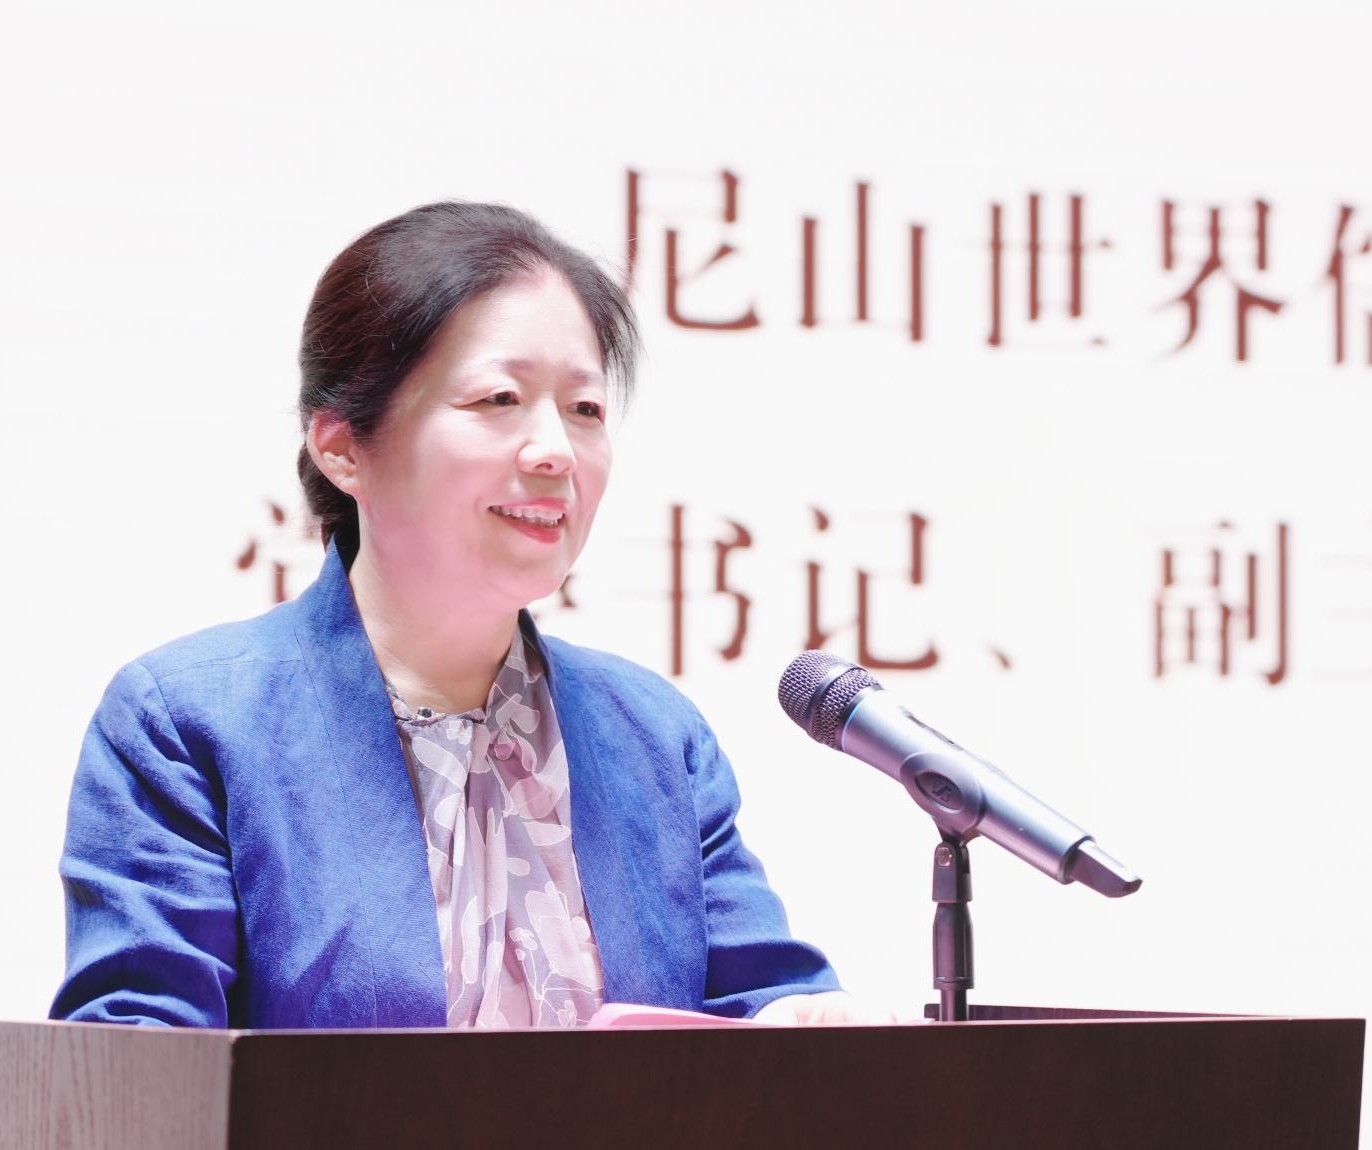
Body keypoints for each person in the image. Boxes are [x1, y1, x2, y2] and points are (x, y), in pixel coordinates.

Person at [49, 201, 863, 1030]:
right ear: (342, 447)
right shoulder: (192, 721)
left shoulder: (653, 734)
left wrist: (807, 1023)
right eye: (499, 398)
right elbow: (139, 1060)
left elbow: (761, 999)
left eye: (585, 409)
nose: (555, 451)